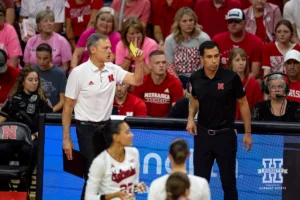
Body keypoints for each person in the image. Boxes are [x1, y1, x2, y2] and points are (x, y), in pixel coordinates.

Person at [62, 33, 145, 199]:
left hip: (106, 128)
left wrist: (139, 61)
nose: (110, 51)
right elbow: (68, 107)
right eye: (105, 48)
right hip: (86, 129)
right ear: (92, 50)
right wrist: (66, 139)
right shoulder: (78, 73)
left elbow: (137, 81)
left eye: (110, 48)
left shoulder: (112, 69)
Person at [186, 41, 252, 200]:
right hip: (202, 136)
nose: (214, 60)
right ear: (201, 58)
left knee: (229, 184)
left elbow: (243, 103)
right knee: (199, 184)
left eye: (216, 56)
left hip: (225, 136)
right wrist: (190, 119)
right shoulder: (195, 78)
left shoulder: (231, 77)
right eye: (209, 57)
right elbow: (194, 100)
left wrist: (248, 132)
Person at [0, 67, 52, 190]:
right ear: (23, 82)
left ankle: (24, 185)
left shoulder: (42, 99)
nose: (34, 83)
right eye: (30, 80)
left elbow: (49, 123)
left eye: (36, 80)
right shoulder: (13, 98)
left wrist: (37, 134)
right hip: (11, 137)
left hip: (31, 137)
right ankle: (3, 186)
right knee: (2, 149)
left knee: (28, 150)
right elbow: (2, 118)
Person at [85, 120, 146, 200]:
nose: (132, 135)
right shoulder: (100, 162)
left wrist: (137, 187)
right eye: (127, 132)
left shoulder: (134, 153)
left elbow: (131, 186)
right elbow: (89, 197)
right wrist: (114, 195)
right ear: (116, 137)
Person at [164, 7, 210, 88]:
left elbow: (207, 63)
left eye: (191, 20)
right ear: (178, 23)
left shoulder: (204, 38)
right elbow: (170, 66)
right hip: (178, 77)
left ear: (195, 22)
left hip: (199, 77)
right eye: (184, 21)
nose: (188, 23)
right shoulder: (170, 40)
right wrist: (178, 85)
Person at [213, 8, 263, 78]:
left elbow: (255, 72)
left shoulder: (256, 42)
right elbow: (213, 67)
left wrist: (238, 82)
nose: (233, 24)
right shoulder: (217, 40)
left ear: (245, 23)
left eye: (237, 21)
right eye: (230, 21)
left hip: (245, 81)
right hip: (222, 81)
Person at [133, 50, 184, 117]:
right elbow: (136, 107)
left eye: (164, 62)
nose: (161, 65)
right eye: (157, 63)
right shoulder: (141, 82)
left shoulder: (175, 83)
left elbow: (176, 112)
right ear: (150, 66)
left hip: (167, 123)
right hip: (146, 121)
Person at [228, 48, 263, 120]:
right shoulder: (224, 82)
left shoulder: (254, 83)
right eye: (237, 60)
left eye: (243, 60)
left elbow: (258, 107)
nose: (241, 63)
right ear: (231, 63)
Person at [33, 43, 66, 112]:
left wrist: (50, 113)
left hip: (53, 113)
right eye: (39, 58)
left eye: (45, 58)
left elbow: (63, 101)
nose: (41, 62)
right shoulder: (32, 71)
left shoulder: (60, 73)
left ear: (51, 57)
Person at [0, 2, 22, 68]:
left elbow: (14, 61)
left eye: (0, 15)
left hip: (7, 72)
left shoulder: (9, 29)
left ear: (4, 17)